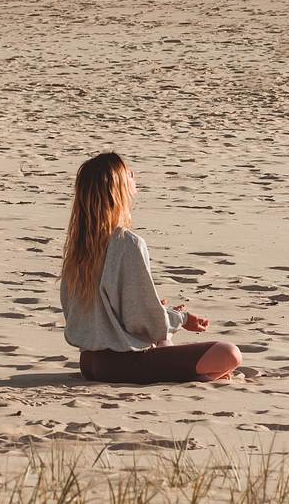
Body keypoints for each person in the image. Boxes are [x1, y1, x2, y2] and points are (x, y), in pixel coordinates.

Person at [60, 152, 242, 382]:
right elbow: (145, 323)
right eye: (129, 174)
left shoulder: (78, 248)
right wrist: (181, 319)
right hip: (123, 362)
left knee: (167, 343)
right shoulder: (127, 243)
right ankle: (201, 377)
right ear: (117, 188)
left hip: (89, 362)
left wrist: (160, 310)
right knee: (228, 353)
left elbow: (86, 314)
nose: (134, 177)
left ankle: (197, 375)